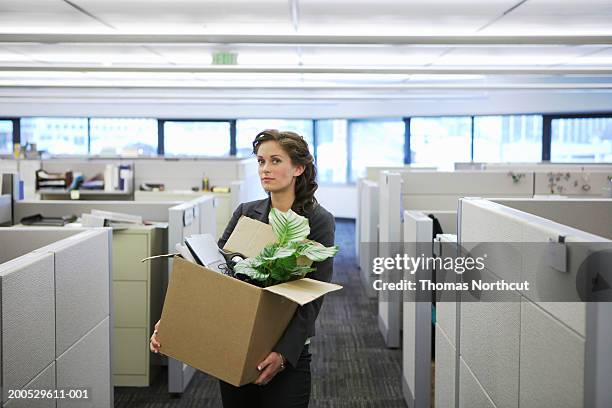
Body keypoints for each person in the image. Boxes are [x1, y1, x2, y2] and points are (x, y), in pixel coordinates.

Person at [150, 129, 335, 408]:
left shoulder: (317, 220)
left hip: (287, 350)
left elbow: (312, 295)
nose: (265, 169)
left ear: (298, 167)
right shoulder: (246, 212)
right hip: (236, 342)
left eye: (275, 161)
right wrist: (175, 319)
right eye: (261, 162)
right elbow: (214, 277)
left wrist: (283, 354)